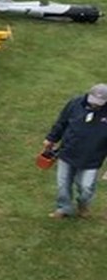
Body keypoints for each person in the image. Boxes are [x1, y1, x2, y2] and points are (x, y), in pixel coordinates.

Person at [42, 84, 107, 218]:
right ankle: (63, 208)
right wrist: (51, 138)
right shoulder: (75, 103)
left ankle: (83, 204)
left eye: (99, 103)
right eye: (93, 101)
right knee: (63, 185)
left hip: (92, 159)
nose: (95, 105)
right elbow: (62, 122)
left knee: (86, 187)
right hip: (68, 152)